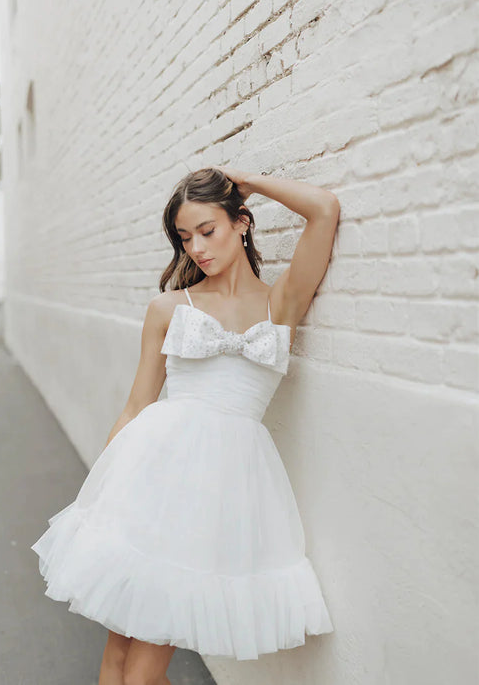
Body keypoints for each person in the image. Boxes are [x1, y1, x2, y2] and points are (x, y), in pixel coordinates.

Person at [31, 166, 340, 685]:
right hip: (153, 482)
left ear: (241, 222)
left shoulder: (280, 302)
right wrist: (101, 494)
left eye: (207, 230)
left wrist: (253, 181)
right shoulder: (169, 307)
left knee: (142, 673)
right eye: (184, 237)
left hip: (215, 498)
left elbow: (324, 210)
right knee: (118, 659)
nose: (196, 247)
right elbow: (136, 408)